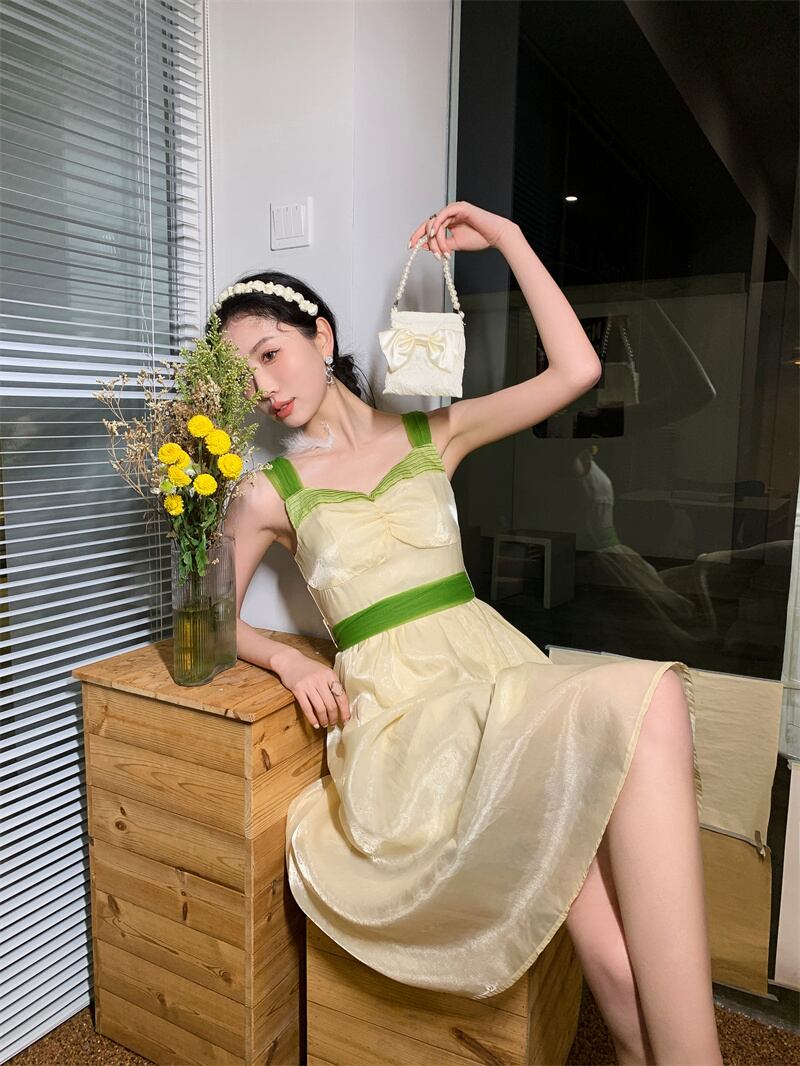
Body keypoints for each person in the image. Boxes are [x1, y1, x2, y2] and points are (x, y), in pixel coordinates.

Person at [217, 202, 721, 1065]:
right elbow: (205, 619)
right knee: (613, 920)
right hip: (411, 723)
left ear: (321, 336)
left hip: (497, 677)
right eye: (243, 375)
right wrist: (287, 663)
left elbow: (576, 369)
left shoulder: (432, 434)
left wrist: (510, 241)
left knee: (616, 957)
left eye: (269, 353)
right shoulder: (268, 493)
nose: (262, 384)